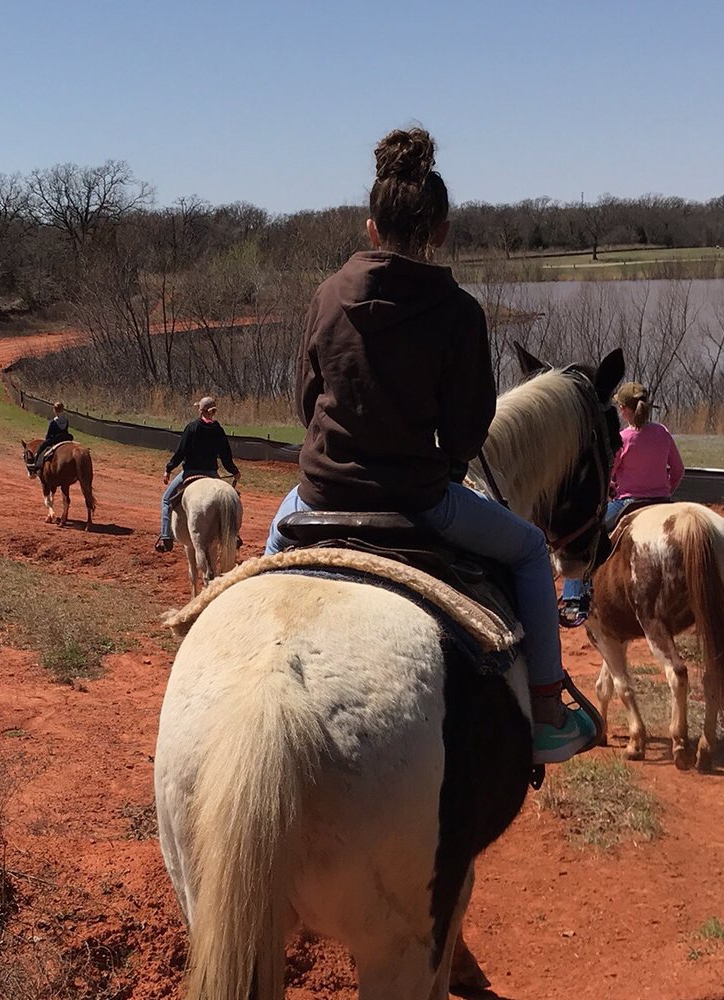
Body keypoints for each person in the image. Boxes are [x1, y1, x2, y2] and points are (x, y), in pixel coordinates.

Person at [263, 126, 597, 765]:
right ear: (440, 231)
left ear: (370, 228)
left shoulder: (326, 296)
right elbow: (469, 434)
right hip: (419, 501)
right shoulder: (458, 312)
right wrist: (432, 459)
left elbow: (307, 404)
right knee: (529, 551)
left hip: (318, 494)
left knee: (260, 571)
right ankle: (549, 707)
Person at [558, 380, 684, 627]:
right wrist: (664, 490)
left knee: (584, 537)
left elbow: (609, 474)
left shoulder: (624, 438)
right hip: (662, 502)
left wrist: (610, 489)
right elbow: (677, 471)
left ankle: (574, 598)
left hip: (628, 503)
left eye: (620, 407)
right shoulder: (663, 432)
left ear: (625, 410)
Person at [155, 396, 241, 553]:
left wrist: (169, 468)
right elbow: (226, 456)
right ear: (213, 412)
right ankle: (234, 535)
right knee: (228, 499)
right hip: (211, 474)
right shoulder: (219, 430)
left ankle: (166, 536)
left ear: (200, 410)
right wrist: (234, 471)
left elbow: (181, 452)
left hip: (190, 472)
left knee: (166, 500)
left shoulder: (192, 427)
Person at [34, 401, 74, 469]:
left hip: (55, 439)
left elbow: (49, 435)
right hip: (65, 437)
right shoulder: (66, 420)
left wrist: (47, 441)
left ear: (54, 410)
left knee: (41, 447)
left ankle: (36, 464)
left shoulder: (53, 422)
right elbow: (66, 430)